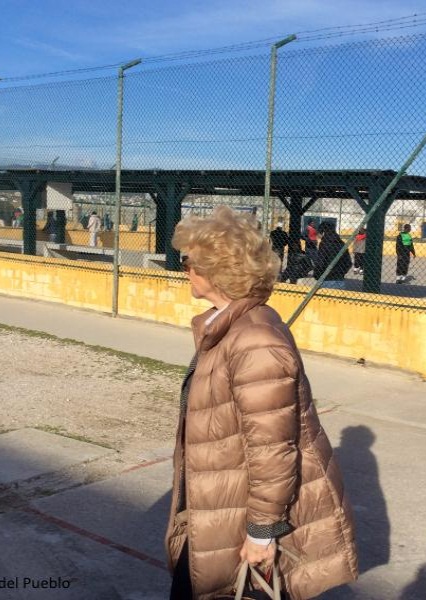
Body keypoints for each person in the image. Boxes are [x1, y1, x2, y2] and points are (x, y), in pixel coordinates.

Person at [167, 206, 358, 599]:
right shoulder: (232, 325)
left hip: (240, 511)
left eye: (187, 260)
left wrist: (261, 533)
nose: (182, 267)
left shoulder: (255, 341)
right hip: (221, 498)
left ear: (215, 269)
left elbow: (273, 450)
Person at [315, 221, 352, 289]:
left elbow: (320, 263)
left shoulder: (324, 244)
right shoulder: (342, 243)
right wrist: (341, 273)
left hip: (326, 280)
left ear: (323, 232)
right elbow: (348, 263)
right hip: (340, 280)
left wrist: (316, 275)